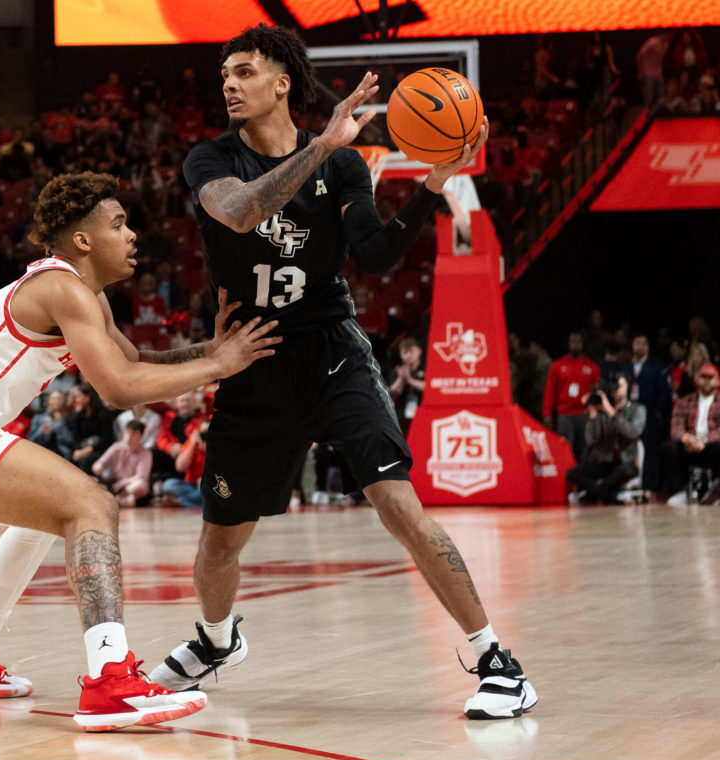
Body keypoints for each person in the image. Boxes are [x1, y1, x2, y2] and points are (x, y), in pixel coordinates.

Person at [145, 24, 535, 721]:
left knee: (397, 504)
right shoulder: (211, 158)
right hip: (250, 359)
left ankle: (494, 658)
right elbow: (238, 213)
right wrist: (322, 144)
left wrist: (432, 189)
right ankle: (215, 641)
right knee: (219, 540)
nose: (228, 84)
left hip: (329, 348)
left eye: (243, 71)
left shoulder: (346, 169)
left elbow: (377, 256)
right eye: (224, 74)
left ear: (281, 83)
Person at [0, 172, 279, 731]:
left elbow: (136, 362)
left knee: (49, 518)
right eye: (119, 224)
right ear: (83, 240)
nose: (132, 234)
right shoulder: (61, 287)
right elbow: (116, 389)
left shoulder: (87, 298)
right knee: (92, 504)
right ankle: (111, 683)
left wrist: (210, 348)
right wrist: (218, 367)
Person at [565, 372, 646, 504]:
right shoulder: (602, 410)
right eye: (613, 387)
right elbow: (591, 440)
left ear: (628, 387)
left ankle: (594, 491)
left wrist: (611, 412)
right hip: (604, 464)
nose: (616, 390)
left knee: (626, 470)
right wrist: (593, 415)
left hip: (626, 462)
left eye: (619, 386)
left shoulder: (637, 409)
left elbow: (633, 432)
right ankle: (604, 493)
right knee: (572, 473)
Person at [661, 363, 720, 506]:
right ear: (697, 379)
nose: (706, 381)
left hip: (710, 444)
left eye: (710, 377)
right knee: (668, 447)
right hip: (689, 443)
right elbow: (676, 427)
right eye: (703, 377)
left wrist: (704, 440)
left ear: (717, 380)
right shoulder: (684, 402)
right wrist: (687, 438)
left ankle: (716, 491)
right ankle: (680, 491)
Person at [543, 331, 600, 463]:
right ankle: (566, 480)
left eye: (578, 341)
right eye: (572, 341)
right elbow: (550, 391)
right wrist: (547, 414)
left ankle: (582, 481)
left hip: (584, 415)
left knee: (584, 451)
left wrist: (595, 414)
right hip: (565, 415)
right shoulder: (557, 365)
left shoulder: (591, 366)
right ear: (568, 344)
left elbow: (596, 393)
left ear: (583, 344)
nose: (575, 344)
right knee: (565, 451)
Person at [629, 334, 670, 495]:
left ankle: (650, 485)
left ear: (647, 347)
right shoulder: (626, 366)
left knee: (650, 451)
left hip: (649, 414)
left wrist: (658, 413)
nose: (640, 346)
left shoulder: (656, 367)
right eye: (636, 342)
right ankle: (632, 484)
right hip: (629, 413)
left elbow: (663, 393)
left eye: (643, 343)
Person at [92, 420, 153, 507]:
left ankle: (117, 500)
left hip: (129, 486)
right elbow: (100, 463)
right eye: (128, 433)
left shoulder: (145, 453)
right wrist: (99, 467)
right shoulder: (116, 447)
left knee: (140, 485)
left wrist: (121, 484)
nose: (129, 436)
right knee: (91, 481)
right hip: (111, 483)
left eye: (134, 434)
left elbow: (141, 476)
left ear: (141, 436)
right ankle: (119, 500)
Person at [387, 336, 425, 435]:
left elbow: (429, 388)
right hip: (402, 415)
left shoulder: (426, 367)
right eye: (405, 352)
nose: (408, 355)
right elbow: (392, 393)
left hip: (422, 412)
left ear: (419, 351)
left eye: (411, 351)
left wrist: (410, 380)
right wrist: (401, 378)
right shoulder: (398, 370)